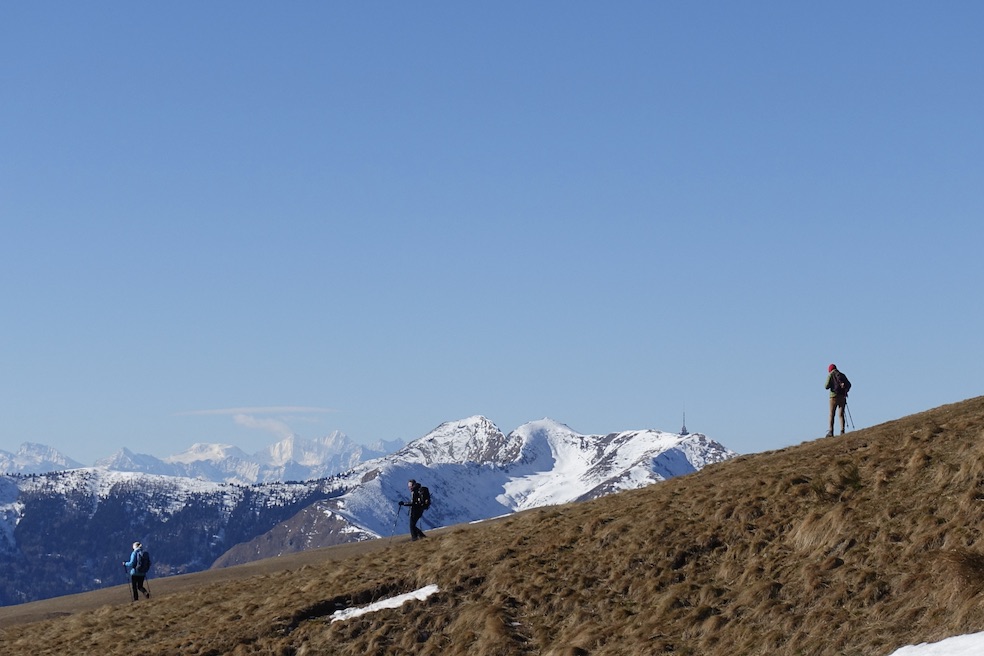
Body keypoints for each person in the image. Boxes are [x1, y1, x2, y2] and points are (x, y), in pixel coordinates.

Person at [825, 363, 851, 436]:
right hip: (842, 397)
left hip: (833, 397)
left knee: (831, 414)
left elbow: (826, 386)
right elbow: (849, 384)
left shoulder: (831, 375)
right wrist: (845, 391)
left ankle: (831, 431)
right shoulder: (842, 375)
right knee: (841, 414)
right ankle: (842, 431)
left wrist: (831, 385)